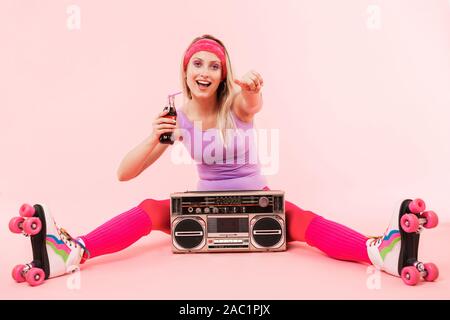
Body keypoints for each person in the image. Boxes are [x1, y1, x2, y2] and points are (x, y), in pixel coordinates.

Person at [9, 34, 439, 286]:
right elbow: (124, 173)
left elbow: (253, 101)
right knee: (150, 210)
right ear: (185, 69)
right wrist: (156, 136)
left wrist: (250, 87)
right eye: (197, 63)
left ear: (223, 73)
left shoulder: (237, 100)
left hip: (256, 199)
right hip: (201, 203)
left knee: (301, 221)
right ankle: (72, 252)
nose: (205, 71)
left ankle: (380, 251)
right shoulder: (175, 109)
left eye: (214, 66)